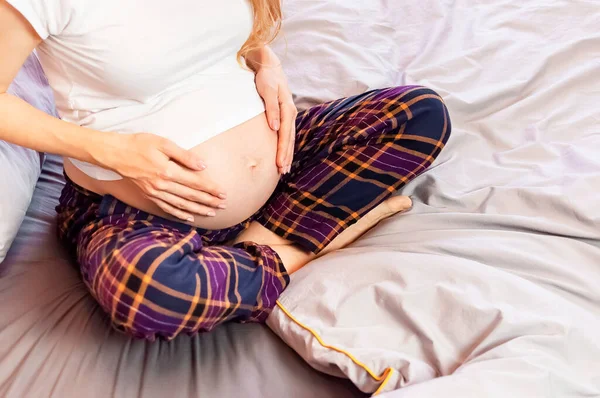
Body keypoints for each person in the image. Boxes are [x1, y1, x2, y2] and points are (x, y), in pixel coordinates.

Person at [0, 0, 451, 340]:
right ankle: (293, 251)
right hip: (140, 204)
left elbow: (226, 33)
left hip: (280, 158)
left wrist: (265, 61)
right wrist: (110, 150)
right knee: (147, 290)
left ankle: (257, 244)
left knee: (421, 113)